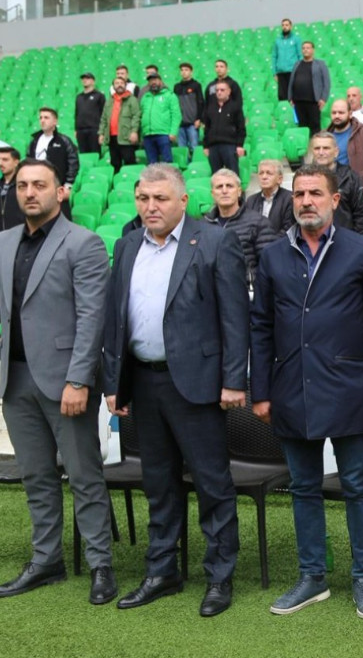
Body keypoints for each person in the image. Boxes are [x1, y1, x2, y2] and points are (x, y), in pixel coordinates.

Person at [0, 157, 114, 605]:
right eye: (23, 185)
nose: (30, 192)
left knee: (85, 477)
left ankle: (101, 564)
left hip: (66, 382)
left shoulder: (83, 243)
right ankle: (47, 560)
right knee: (36, 477)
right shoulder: (1, 244)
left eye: (40, 185)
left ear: (60, 192)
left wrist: (79, 379)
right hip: (17, 380)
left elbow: (92, 318)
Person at [250, 163, 363, 621]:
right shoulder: (273, 255)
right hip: (291, 388)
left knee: (357, 486)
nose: (306, 201)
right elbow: (260, 326)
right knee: (303, 487)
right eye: (300, 194)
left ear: (335, 200)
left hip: (350, 389)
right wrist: (262, 390)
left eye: (316, 193)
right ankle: (313, 577)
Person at [103, 163, 246, 618]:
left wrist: (232, 380)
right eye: (143, 198)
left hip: (198, 385)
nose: (151, 207)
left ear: (183, 200)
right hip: (143, 382)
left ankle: (220, 577)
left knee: (211, 484)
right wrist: (114, 383)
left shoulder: (215, 242)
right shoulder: (127, 246)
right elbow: (115, 319)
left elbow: (235, 319)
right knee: (158, 484)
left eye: (160, 199)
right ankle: (162, 570)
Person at [204, 168, 278, 287]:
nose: (224, 191)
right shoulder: (204, 225)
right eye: (219, 187)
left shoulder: (259, 223)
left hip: (246, 293)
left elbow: (271, 265)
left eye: (229, 186)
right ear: (212, 193)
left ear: (239, 191)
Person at [309, 132, 363, 238]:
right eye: (317, 148)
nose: (321, 152)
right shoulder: (303, 178)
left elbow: (362, 216)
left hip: (344, 242)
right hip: (313, 243)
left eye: (326, 148)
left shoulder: (351, 178)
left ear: (336, 152)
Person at [327, 99, 363, 198]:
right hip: (330, 187)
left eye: (341, 112)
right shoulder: (325, 135)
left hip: (355, 188)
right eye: (334, 113)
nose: (337, 116)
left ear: (350, 114)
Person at [202, 79, 247, 176]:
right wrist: (205, 146)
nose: (219, 92)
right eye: (217, 90)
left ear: (229, 91)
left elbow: (241, 128)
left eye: (222, 90)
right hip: (213, 146)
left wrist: (240, 145)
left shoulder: (235, 107)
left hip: (229, 145)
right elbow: (207, 127)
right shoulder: (210, 107)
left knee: (233, 174)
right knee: (216, 175)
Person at [288, 41, 331, 137]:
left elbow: (326, 82)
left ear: (313, 50)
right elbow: (292, 80)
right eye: (303, 48)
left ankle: (316, 148)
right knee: (302, 127)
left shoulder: (320, 64)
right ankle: (305, 148)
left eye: (308, 48)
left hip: (313, 102)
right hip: (298, 101)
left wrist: (323, 99)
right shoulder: (297, 64)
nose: (305, 50)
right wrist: (290, 97)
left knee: (315, 127)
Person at [99, 77, 140, 175]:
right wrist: (101, 133)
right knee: (115, 163)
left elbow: (136, 116)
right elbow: (104, 119)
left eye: (122, 83)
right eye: (116, 83)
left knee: (130, 162)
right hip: (112, 137)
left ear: (125, 85)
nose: (119, 85)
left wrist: (134, 131)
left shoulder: (132, 99)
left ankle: (131, 184)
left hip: (126, 137)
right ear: (113, 86)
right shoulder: (109, 101)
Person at [139, 73, 180, 166]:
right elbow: (141, 114)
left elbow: (176, 115)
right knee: (151, 164)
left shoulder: (169, 95)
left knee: (167, 162)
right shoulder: (145, 97)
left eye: (155, 80)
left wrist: (173, 132)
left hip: (163, 134)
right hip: (148, 134)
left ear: (161, 81)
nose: (153, 82)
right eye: (151, 80)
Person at [244, 159, 293, 234]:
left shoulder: (289, 198)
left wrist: (271, 244)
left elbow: (288, 229)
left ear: (280, 179)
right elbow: (247, 228)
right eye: (261, 173)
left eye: (269, 173)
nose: (264, 177)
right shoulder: (251, 200)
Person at [173, 63, 204, 162]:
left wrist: (199, 119)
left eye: (186, 70)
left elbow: (200, 103)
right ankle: (184, 168)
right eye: (182, 70)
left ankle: (195, 166)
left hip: (192, 123)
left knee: (194, 147)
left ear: (191, 71)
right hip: (180, 123)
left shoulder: (196, 85)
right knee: (181, 148)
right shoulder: (177, 87)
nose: (183, 72)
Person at [0, 147, 23, 236]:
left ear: (16, 162)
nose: (0, 163)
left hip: (19, 235)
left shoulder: (23, 185)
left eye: (5, 160)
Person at [272, 18, 303, 101]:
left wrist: (299, 70)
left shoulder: (296, 39)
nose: (284, 27)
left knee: (293, 95)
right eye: (283, 25)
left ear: (291, 26)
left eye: (286, 25)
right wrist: (274, 72)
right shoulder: (277, 41)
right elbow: (274, 56)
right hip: (281, 72)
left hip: (293, 71)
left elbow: (300, 55)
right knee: (282, 96)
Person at [74, 73, 105, 155]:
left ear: (93, 81)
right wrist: (76, 129)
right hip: (81, 131)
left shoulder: (99, 96)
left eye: (87, 78)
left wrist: (102, 132)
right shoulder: (79, 97)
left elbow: (104, 114)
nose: (84, 80)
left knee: (95, 154)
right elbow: (77, 113)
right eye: (83, 78)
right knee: (83, 155)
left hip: (94, 130)